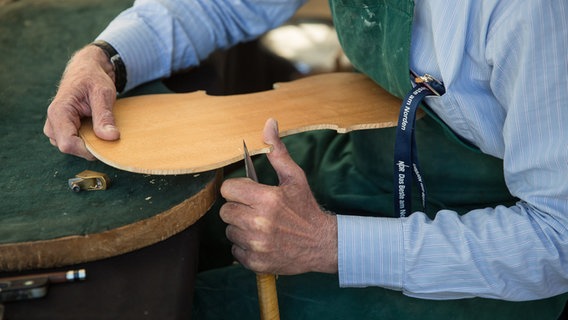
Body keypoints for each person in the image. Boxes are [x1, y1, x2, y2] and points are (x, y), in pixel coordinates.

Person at [44, 0, 568, 318]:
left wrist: (331, 244)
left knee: (180, 306)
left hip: (494, 244)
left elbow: (557, 240)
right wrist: (107, 58)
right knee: (163, 239)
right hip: (376, 150)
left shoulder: (533, 14)